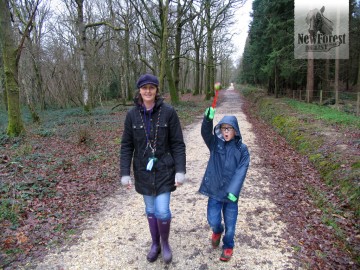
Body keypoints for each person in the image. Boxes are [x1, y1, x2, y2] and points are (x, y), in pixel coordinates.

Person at [120, 74, 186, 264]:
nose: (148, 91)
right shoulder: (132, 115)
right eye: (144, 87)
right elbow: (126, 145)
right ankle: (155, 244)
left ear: (157, 90)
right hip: (143, 170)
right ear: (139, 90)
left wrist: (180, 170)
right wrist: (125, 173)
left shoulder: (168, 112)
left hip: (165, 168)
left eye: (152, 87)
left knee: (162, 211)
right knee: (150, 209)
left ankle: (165, 243)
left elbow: (178, 144)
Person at [199, 106, 250, 262]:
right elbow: (205, 133)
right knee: (213, 219)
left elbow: (242, 170)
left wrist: (234, 191)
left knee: (231, 225)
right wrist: (208, 119)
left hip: (231, 195)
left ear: (236, 130)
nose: (226, 131)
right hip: (214, 191)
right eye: (223, 128)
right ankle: (217, 230)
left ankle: (228, 246)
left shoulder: (242, 150)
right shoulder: (215, 144)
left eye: (229, 128)